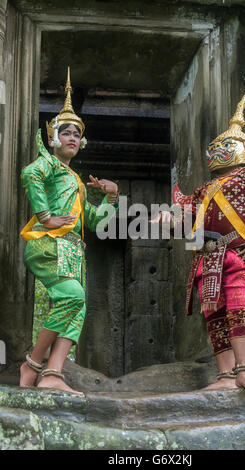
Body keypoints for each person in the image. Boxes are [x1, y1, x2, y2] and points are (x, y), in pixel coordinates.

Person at [153, 93, 245, 393]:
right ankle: (225, 375)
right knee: (215, 315)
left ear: (242, 149)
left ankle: (244, 371)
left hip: (241, 253)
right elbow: (185, 218)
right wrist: (166, 219)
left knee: (241, 308)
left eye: (226, 146)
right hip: (208, 258)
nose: (219, 151)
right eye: (216, 147)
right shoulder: (202, 190)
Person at [19, 68, 119, 394]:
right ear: (53, 138)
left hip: (73, 249)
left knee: (77, 308)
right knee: (72, 298)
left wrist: (111, 197)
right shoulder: (48, 163)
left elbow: (94, 220)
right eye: (66, 133)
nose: (72, 138)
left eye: (77, 134)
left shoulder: (74, 180)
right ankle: (33, 364)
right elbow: (30, 175)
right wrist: (46, 216)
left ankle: (53, 374)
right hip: (49, 243)